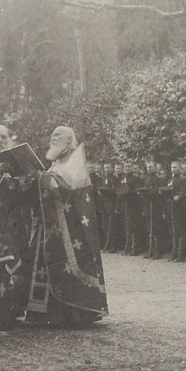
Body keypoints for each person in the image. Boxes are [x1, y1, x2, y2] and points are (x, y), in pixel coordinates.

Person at [24, 126, 109, 324]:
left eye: (58, 135)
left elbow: (62, 188)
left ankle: (74, 312)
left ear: (70, 140)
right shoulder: (57, 163)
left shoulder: (74, 161)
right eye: (52, 134)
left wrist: (38, 177)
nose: (53, 138)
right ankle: (48, 312)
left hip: (72, 229)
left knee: (67, 265)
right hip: (52, 227)